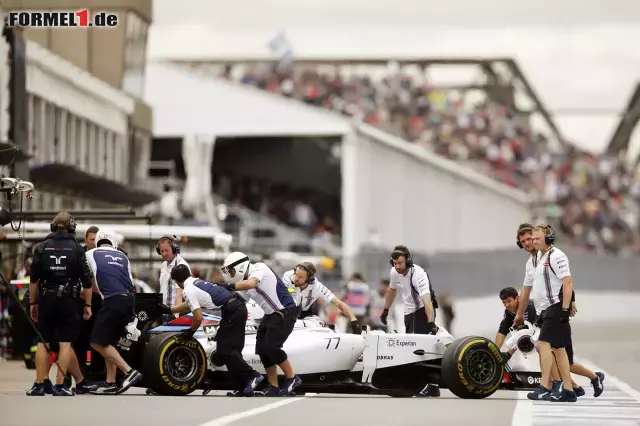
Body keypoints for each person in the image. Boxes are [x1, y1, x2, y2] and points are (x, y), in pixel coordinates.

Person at [514, 223, 604, 400]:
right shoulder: (533, 262)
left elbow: (565, 280)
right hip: (545, 312)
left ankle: (554, 386)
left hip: (555, 309)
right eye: (523, 241)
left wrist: (569, 303)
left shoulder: (552, 256)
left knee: (549, 349)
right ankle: (573, 386)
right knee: (558, 352)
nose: (527, 243)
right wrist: (519, 313)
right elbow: (526, 290)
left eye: (531, 239)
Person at [161, 264, 264, 396]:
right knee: (229, 350)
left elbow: (198, 317)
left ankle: (252, 376)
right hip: (235, 308)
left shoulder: (188, 290)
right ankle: (243, 387)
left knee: (226, 350)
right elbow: (189, 304)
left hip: (232, 310)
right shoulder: (195, 282)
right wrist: (170, 309)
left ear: (176, 281)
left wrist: (190, 331)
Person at [27, 212, 94, 396]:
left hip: (46, 298)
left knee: (43, 342)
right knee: (65, 343)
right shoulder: (78, 249)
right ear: (72, 228)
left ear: (52, 226)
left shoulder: (41, 247)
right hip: (68, 300)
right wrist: (87, 305)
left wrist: (33, 303)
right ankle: (60, 386)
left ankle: (40, 384)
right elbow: (87, 281)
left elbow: (33, 281)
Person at [220, 252, 301, 396]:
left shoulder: (259, 268)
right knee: (262, 350)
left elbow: (251, 283)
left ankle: (292, 378)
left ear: (239, 267)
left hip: (285, 311)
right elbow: (238, 300)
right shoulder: (245, 282)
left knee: (271, 347)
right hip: (271, 314)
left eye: (231, 270)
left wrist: (228, 286)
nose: (230, 274)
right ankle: (274, 386)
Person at [85, 228, 143, 394]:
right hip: (130, 300)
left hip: (112, 300)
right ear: (114, 242)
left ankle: (129, 372)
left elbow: (87, 280)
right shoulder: (123, 257)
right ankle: (110, 382)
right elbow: (129, 281)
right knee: (107, 342)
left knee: (96, 342)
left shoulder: (91, 254)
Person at [380, 245, 440, 397]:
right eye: (394, 263)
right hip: (408, 311)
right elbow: (391, 290)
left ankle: (432, 386)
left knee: (422, 348)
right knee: (409, 348)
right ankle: (416, 382)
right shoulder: (394, 272)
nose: (397, 266)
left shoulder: (418, 274)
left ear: (408, 261)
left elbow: (427, 301)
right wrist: (386, 310)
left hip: (422, 310)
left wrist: (431, 323)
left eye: (400, 263)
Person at [283, 262, 362, 333]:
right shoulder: (288, 276)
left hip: (307, 312)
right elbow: (284, 297)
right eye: (296, 274)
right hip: (288, 309)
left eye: (300, 277)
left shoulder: (318, 288)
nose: (296, 278)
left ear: (309, 279)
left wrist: (353, 320)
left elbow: (339, 304)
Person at [495, 287, 537, 360]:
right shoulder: (508, 312)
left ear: (517, 298)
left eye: (509, 301)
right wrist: (495, 352)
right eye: (504, 302)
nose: (507, 305)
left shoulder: (528, 308)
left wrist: (508, 354)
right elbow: (502, 332)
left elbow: (525, 335)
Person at [157, 235, 190, 316]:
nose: (164, 254)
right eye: (162, 251)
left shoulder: (181, 265)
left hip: (175, 313)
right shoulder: (163, 265)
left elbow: (179, 293)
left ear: (174, 249)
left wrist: (176, 317)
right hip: (164, 313)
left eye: (167, 250)